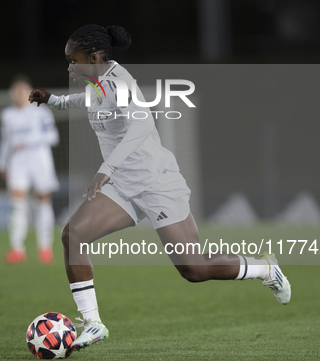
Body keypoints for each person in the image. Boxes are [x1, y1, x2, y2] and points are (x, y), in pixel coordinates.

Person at [28, 24, 291, 354]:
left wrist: (106, 169)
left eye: (73, 60)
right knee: (73, 234)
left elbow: (141, 126)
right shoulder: (97, 81)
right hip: (123, 186)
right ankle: (93, 323)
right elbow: (92, 101)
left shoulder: (120, 82)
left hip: (156, 182)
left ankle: (265, 268)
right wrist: (54, 100)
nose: (69, 67)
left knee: (193, 269)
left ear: (94, 57)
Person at [0, 75, 59, 264]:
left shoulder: (42, 112)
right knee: (17, 205)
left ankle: (45, 249)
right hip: (18, 163)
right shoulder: (8, 115)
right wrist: (1, 163)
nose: (19, 95)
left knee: (42, 204)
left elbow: (53, 137)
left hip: (40, 161)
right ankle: (17, 250)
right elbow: (5, 141)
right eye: (16, 91)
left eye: (22, 91)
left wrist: (27, 141)